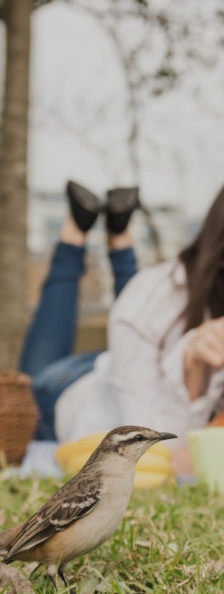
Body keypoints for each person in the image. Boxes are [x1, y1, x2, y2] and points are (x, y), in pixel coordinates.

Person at [26, 169, 224, 458]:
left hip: (131, 364)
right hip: (70, 390)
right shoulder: (151, 297)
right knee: (31, 378)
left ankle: (119, 234)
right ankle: (76, 233)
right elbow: (153, 457)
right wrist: (191, 366)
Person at [20, 181, 140, 440]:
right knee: (28, 397)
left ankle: (115, 238)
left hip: (83, 382)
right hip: (91, 380)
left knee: (30, 400)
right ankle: (83, 234)